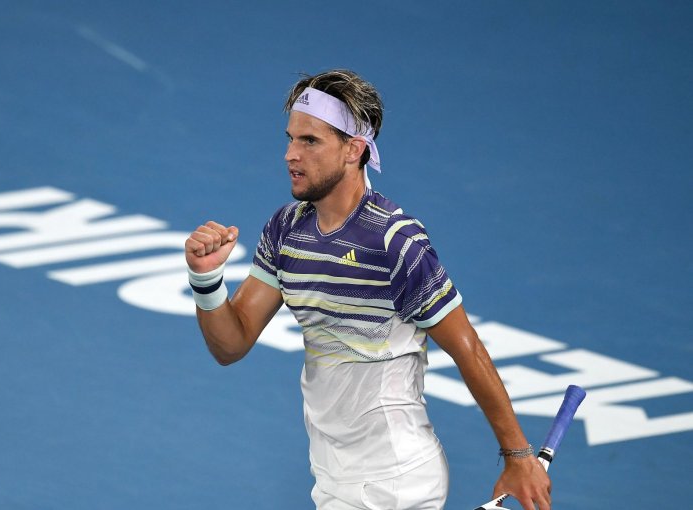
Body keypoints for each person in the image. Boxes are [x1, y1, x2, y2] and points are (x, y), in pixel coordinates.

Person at [184, 69, 551, 510]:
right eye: (290, 138)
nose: (289, 154)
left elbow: (466, 347)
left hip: (393, 478)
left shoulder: (395, 241)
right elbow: (233, 343)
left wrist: (517, 455)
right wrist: (206, 280)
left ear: (353, 150)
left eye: (310, 141)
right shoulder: (286, 229)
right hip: (333, 475)